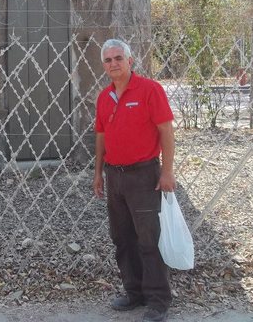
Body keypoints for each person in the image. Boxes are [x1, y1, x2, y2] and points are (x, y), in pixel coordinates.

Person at [93, 39, 176, 322]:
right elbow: (101, 136)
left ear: (130, 61)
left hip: (144, 175)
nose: (114, 63)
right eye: (108, 60)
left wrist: (167, 171)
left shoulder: (150, 90)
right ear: (103, 66)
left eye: (119, 58)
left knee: (148, 238)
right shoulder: (104, 97)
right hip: (114, 175)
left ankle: (158, 299)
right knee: (122, 238)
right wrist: (98, 173)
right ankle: (134, 292)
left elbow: (166, 130)